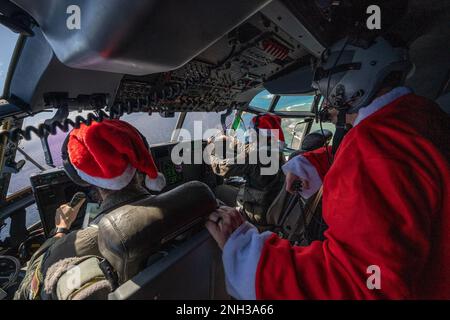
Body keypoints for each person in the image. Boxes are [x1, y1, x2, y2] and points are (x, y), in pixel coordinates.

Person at [206, 36, 450, 299]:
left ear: (347, 84)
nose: (325, 103)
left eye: (325, 89)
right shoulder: (419, 116)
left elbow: (362, 285)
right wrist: (314, 162)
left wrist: (246, 254)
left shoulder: (375, 146)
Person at [15, 119, 167, 299]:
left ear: (84, 179)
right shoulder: (188, 202)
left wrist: (60, 230)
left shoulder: (73, 246)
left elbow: (28, 289)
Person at [208, 113, 285, 226]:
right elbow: (248, 149)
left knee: (219, 189)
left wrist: (210, 153)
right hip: (269, 202)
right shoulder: (274, 149)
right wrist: (229, 140)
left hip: (257, 210)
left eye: (251, 130)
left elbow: (222, 168)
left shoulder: (255, 156)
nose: (249, 133)